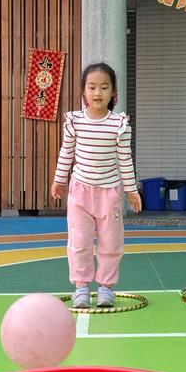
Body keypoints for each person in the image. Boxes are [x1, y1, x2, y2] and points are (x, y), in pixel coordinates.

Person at [51, 62, 142, 309]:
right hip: (79, 192)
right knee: (79, 242)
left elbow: (125, 159)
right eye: (91, 87)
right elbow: (66, 152)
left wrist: (131, 190)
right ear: (83, 91)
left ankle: (105, 288)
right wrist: (59, 179)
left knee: (111, 243)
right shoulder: (75, 121)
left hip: (109, 194)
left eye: (104, 87)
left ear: (113, 92)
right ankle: (81, 287)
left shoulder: (119, 125)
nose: (97, 93)